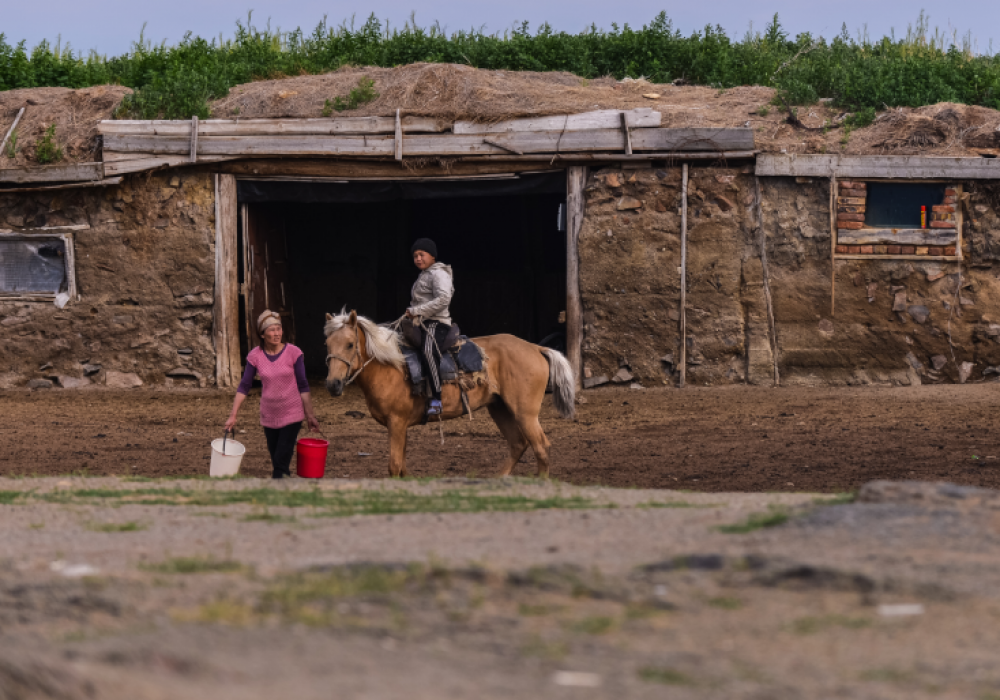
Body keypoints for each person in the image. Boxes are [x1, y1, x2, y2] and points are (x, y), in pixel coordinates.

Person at [224, 310, 321, 479]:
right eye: (272, 330)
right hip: (269, 415)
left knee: (280, 460)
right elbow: (244, 386)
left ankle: (276, 492)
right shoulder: (255, 356)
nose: (277, 333)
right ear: (262, 334)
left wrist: (310, 415)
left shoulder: (294, 353)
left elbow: (303, 385)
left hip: (292, 414)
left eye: (279, 329)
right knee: (277, 459)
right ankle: (285, 487)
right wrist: (233, 415)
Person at [405, 238, 454, 416]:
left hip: (436, 322)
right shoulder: (424, 275)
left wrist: (416, 310)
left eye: (421, 255)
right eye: (415, 256)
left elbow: (443, 300)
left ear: (432, 256)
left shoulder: (439, 274)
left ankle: (436, 397)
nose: (418, 259)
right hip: (421, 321)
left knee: (427, 350)